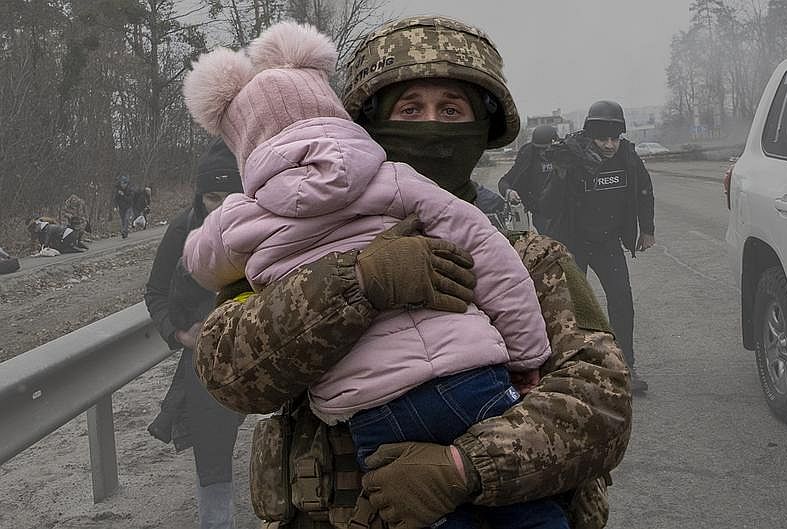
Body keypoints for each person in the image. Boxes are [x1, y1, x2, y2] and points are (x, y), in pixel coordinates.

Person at [193, 16, 631, 529]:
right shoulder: (282, 244)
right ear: (369, 123)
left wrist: (466, 467)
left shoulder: (531, 259)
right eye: (410, 108)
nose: (431, 125)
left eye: (452, 109)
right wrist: (355, 284)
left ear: (481, 128)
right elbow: (228, 373)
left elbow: (601, 407)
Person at [143, 138, 246, 529]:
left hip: (267, 344)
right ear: (199, 196)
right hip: (209, 356)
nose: (219, 209)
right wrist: (179, 334)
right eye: (211, 198)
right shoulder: (182, 228)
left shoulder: (268, 224)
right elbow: (155, 292)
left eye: (230, 197)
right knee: (212, 450)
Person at [543, 100, 656, 394]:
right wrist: (560, 175)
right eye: (602, 139)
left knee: (622, 301)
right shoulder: (572, 156)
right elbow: (547, 205)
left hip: (607, 243)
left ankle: (626, 365)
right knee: (571, 308)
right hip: (574, 243)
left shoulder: (628, 156)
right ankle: (570, 368)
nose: (609, 145)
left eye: (614, 139)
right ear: (591, 136)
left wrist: (647, 229)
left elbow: (644, 191)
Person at [498, 125, 560, 234]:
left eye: (547, 149)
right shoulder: (528, 157)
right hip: (541, 212)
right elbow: (504, 181)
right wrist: (509, 192)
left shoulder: (566, 155)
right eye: (540, 149)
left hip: (564, 210)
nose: (543, 153)